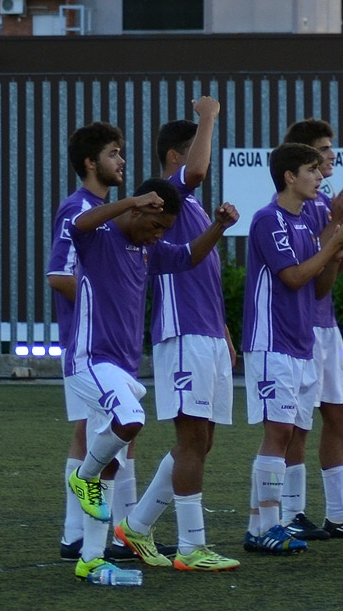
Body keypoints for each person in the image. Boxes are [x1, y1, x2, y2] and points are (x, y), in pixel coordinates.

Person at [65, 178, 238, 582]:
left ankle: (91, 558)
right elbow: (79, 224)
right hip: (91, 360)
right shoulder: (100, 236)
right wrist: (130, 200)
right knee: (131, 421)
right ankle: (82, 476)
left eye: (164, 231)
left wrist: (218, 227)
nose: (159, 236)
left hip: (122, 368)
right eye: (156, 225)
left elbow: (187, 257)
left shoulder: (147, 250)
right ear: (139, 209)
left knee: (113, 456)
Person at [115, 97, 243, 572]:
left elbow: (197, 263)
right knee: (191, 439)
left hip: (206, 332)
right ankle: (191, 547)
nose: (204, 156)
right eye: (197, 149)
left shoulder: (187, 208)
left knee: (202, 441)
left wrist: (225, 331)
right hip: (182, 334)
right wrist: (208, 114)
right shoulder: (171, 189)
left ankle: (139, 524)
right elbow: (197, 173)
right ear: (175, 157)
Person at [241, 143, 343, 555]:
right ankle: (264, 526)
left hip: (299, 343)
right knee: (277, 432)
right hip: (270, 342)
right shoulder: (268, 219)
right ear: (289, 177)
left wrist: (339, 247)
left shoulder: (302, 224)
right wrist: (333, 243)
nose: (320, 177)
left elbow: (318, 287)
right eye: (312, 170)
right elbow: (294, 277)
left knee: (292, 430)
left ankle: (266, 523)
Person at [280, 119, 343, 541]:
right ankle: (292, 511)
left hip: (325, 323)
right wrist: (337, 229)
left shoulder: (323, 202)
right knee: (296, 423)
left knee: (340, 414)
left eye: (330, 151)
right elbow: (306, 266)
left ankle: (338, 513)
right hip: (299, 328)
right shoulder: (290, 208)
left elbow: (328, 269)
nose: (329, 158)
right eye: (321, 152)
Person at [47, 122, 126, 562]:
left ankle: (84, 533)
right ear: (90, 163)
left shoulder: (105, 210)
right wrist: (103, 303)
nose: (121, 161)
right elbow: (59, 275)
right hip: (87, 345)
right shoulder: (77, 208)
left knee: (104, 432)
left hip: (106, 343)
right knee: (97, 431)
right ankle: (78, 534)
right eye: (114, 153)